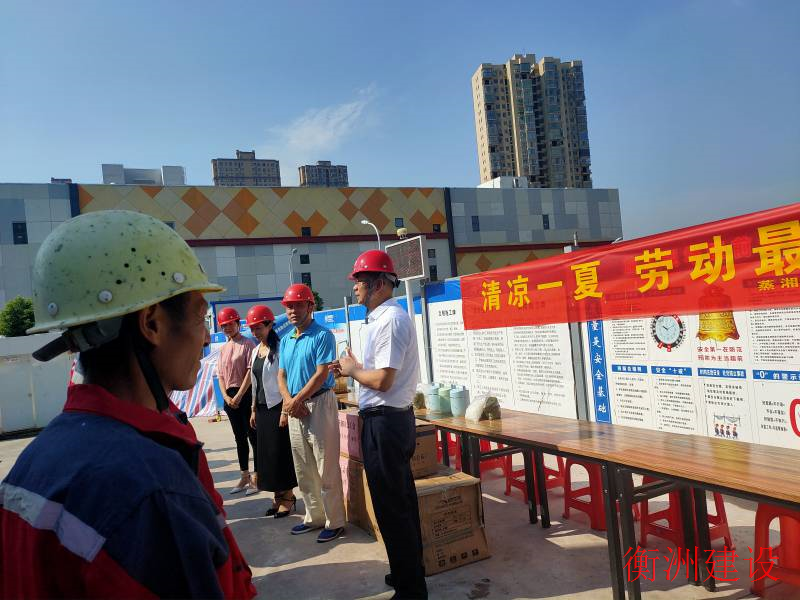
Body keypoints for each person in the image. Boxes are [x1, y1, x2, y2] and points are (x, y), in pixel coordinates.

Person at [0, 210, 256, 599]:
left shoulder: (36, 459)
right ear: (151, 323)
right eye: (201, 317)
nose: (206, 338)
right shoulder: (150, 492)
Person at [331, 250, 427, 600]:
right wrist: (355, 367)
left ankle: (411, 589)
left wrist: (353, 370)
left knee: (393, 508)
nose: (355, 287)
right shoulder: (380, 319)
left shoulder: (390, 320)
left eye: (360, 281)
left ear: (378, 284)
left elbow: (384, 381)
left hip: (386, 423)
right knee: (397, 503)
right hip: (385, 421)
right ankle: (406, 573)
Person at [277, 283, 346, 543]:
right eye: (289, 306)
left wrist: (296, 400)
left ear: (310, 306)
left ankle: (335, 521)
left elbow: (321, 374)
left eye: (298, 305)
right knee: (303, 467)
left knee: (325, 465)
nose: (293, 311)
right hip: (296, 407)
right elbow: (281, 375)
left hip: (318, 403)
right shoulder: (286, 340)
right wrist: (289, 401)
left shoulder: (322, 335)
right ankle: (314, 517)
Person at [245, 304, 298, 517]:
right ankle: (277, 496)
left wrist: (285, 411)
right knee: (267, 455)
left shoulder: (280, 348)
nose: (255, 332)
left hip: (277, 407)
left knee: (280, 453)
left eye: (258, 327)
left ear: (269, 325)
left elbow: (285, 380)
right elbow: (254, 382)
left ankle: (289, 496)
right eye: (252, 328)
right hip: (261, 408)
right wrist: (253, 409)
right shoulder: (255, 351)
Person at [217, 307, 259, 495]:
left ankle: (257, 478)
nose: (227, 328)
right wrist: (226, 397)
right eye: (223, 326)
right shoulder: (223, 348)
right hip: (230, 397)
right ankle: (244, 476)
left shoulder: (248, 344)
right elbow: (220, 375)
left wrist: (240, 395)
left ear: (237, 323)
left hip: (245, 394)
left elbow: (250, 372)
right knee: (239, 438)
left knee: (253, 437)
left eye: (229, 324)